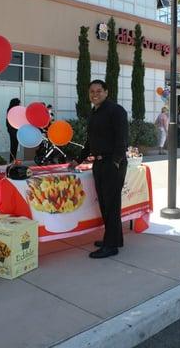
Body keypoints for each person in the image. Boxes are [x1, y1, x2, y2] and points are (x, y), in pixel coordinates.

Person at [70, 80, 128, 259]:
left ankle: (110, 246)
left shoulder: (116, 110)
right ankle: (115, 238)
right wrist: (78, 160)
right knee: (105, 204)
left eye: (99, 91)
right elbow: (90, 142)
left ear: (106, 92)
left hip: (112, 163)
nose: (95, 94)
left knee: (110, 205)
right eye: (92, 92)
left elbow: (122, 138)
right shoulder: (94, 113)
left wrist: (116, 162)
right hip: (99, 164)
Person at [6, 98, 20, 163]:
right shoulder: (11, 110)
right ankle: (12, 160)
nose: (19, 104)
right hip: (13, 130)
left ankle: (13, 159)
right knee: (14, 145)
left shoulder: (10, 109)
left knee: (14, 145)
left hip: (13, 130)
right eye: (19, 103)